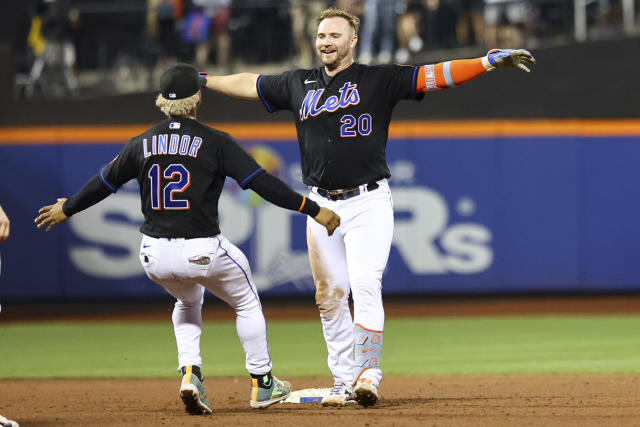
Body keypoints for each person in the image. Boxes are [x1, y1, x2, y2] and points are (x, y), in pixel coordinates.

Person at [202, 6, 535, 407]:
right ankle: (344, 380)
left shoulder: (378, 78)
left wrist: (485, 62)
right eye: (322, 35)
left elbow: (434, 75)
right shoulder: (298, 83)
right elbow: (250, 84)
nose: (326, 41)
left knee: (364, 284)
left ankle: (368, 374)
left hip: (368, 201)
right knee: (328, 294)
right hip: (321, 205)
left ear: (352, 40)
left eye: (334, 35)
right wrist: (204, 80)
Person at [34, 63, 341, 415]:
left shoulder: (142, 143)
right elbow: (261, 183)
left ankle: (191, 373)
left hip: (153, 257)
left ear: (161, 101)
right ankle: (263, 383)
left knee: (187, 300)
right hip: (200, 249)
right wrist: (311, 207)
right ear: (197, 99)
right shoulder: (215, 141)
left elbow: (104, 183)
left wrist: (68, 209)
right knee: (245, 300)